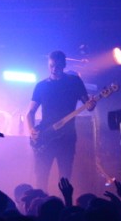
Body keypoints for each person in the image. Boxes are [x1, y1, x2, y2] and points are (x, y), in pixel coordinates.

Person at [25, 50, 96, 192]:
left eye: (57, 66)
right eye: (51, 65)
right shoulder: (41, 86)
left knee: (65, 178)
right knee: (41, 177)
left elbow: (88, 105)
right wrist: (32, 130)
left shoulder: (74, 82)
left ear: (64, 65)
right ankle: (40, 208)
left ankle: (64, 208)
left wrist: (92, 104)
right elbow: (30, 113)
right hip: (45, 136)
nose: (54, 69)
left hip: (67, 137)